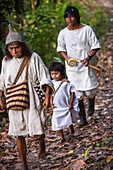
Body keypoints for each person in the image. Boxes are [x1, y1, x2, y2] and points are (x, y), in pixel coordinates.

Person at [0, 24, 54, 170]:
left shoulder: (33, 57)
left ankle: (41, 143)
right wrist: (0, 97)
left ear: (23, 46)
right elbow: (2, 80)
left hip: (32, 98)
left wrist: (48, 96)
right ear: (7, 50)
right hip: (14, 99)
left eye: (16, 47)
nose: (14, 51)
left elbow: (44, 76)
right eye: (11, 49)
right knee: (18, 133)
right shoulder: (6, 62)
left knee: (37, 132)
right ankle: (24, 164)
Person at [57, 6, 101, 127]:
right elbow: (61, 49)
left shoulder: (87, 29)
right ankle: (82, 118)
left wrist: (88, 58)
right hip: (73, 67)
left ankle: (91, 103)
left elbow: (95, 46)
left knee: (90, 90)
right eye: (67, 17)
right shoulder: (63, 33)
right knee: (77, 92)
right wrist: (67, 60)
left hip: (86, 64)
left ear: (77, 17)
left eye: (71, 16)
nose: (69, 19)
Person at [49, 62, 79, 143]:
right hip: (57, 107)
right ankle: (62, 137)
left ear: (62, 73)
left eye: (56, 73)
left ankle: (71, 128)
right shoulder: (51, 83)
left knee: (68, 117)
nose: (54, 76)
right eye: (52, 74)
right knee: (57, 121)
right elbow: (51, 95)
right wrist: (51, 104)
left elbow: (72, 93)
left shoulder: (66, 83)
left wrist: (71, 104)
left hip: (65, 105)